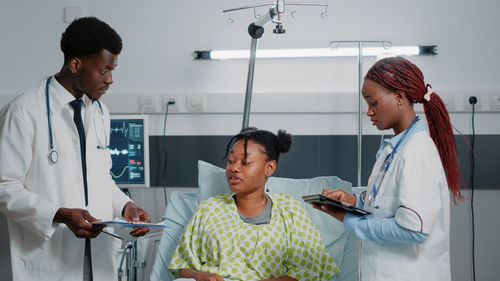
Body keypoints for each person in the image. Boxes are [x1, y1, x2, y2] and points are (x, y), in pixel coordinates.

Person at [0, 17, 150, 281]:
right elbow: (4, 187)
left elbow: (102, 180)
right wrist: (59, 214)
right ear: (76, 64)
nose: (111, 80)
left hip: (98, 257)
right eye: (104, 70)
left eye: (113, 70)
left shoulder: (100, 112)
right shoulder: (23, 112)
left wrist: (125, 205)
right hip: (48, 258)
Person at [313, 56, 463, 281]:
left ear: (399, 98)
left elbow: (413, 230)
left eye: (373, 102)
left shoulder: (416, 152)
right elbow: (387, 203)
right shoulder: (394, 148)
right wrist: (354, 202)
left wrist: (345, 217)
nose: (369, 112)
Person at [169, 128, 339, 281]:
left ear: (269, 168)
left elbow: (310, 269)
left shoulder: (290, 209)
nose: (234, 168)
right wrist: (199, 276)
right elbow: (182, 266)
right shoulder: (209, 209)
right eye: (230, 161)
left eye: (245, 163)